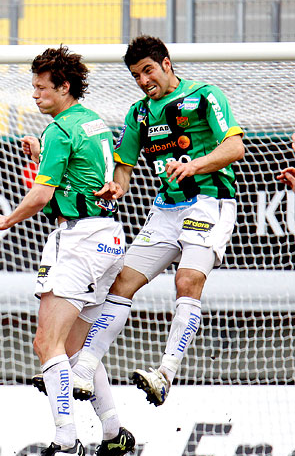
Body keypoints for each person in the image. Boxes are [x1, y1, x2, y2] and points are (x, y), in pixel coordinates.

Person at [0, 45, 134, 456]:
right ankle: (112, 432)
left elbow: (43, 195)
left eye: (40, 87)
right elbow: (81, 173)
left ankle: (66, 441)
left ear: (63, 86)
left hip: (80, 240)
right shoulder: (91, 121)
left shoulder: (59, 130)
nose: (34, 94)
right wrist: (40, 155)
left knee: (45, 345)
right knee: (73, 350)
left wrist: (7, 219)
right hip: (107, 237)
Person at [72, 35, 245, 407]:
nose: (143, 80)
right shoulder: (139, 114)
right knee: (122, 282)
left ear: (167, 63)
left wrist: (192, 165)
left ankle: (165, 374)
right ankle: (84, 369)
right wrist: (115, 188)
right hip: (165, 209)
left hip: (209, 203)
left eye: (148, 70)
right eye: (136, 75)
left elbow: (235, 147)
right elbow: (124, 165)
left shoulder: (204, 96)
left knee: (187, 279)